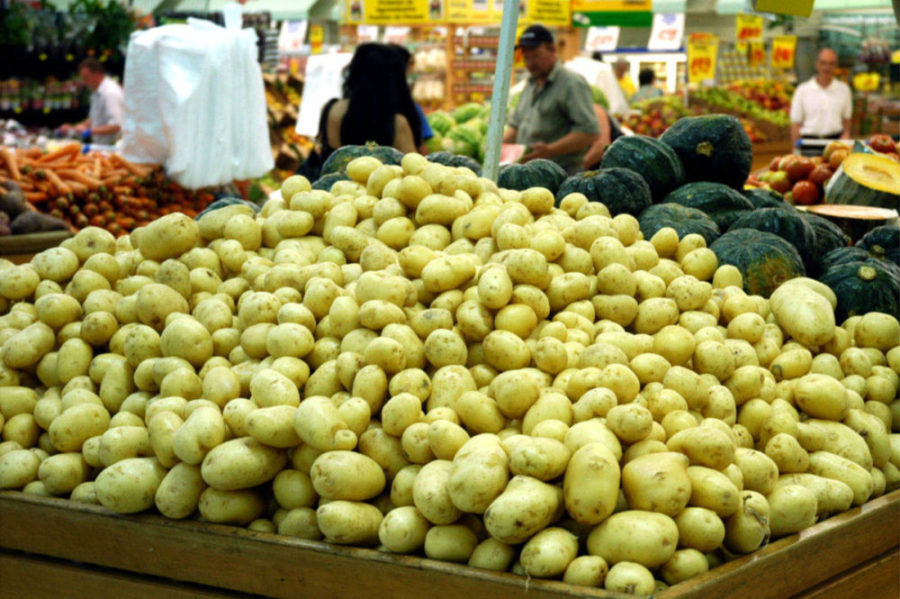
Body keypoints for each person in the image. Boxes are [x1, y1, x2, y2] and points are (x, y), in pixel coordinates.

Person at [504, 24, 600, 174]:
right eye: (526, 57)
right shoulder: (530, 84)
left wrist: (550, 150)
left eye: (536, 55)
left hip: (562, 174)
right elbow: (515, 126)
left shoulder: (572, 83)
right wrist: (496, 146)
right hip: (529, 173)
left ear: (552, 49)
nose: (530, 63)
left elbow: (589, 132)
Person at [321, 43, 421, 160]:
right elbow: (414, 165)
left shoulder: (332, 110)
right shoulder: (396, 123)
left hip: (336, 172)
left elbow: (330, 156)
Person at [790, 48, 852, 147]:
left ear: (836, 66)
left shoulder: (844, 90)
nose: (827, 67)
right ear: (817, 64)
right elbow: (796, 124)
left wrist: (845, 137)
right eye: (823, 63)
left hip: (835, 143)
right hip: (808, 143)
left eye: (831, 64)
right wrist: (795, 149)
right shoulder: (802, 90)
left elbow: (846, 120)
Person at [58, 58, 125, 145]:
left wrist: (90, 131)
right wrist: (73, 127)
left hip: (111, 146)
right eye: (83, 78)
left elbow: (116, 125)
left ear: (97, 74)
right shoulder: (97, 92)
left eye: (86, 78)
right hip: (101, 145)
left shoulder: (110, 92)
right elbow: (95, 119)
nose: (84, 82)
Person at [389, 44, 435, 155]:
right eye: (410, 65)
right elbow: (422, 147)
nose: (412, 70)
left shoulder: (356, 108)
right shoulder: (409, 108)